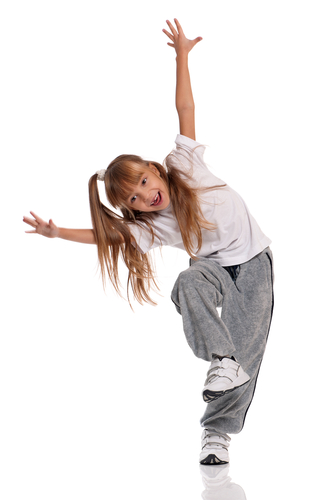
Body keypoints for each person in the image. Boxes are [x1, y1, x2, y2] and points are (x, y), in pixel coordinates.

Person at [23, 19, 274, 465]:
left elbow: (185, 108)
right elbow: (108, 237)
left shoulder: (184, 166)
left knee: (248, 358)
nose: (145, 195)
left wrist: (181, 55)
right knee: (188, 283)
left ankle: (219, 431)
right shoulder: (152, 226)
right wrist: (57, 232)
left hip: (255, 265)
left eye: (143, 181)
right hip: (213, 269)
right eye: (134, 200)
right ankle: (220, 359)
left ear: (155, 169)